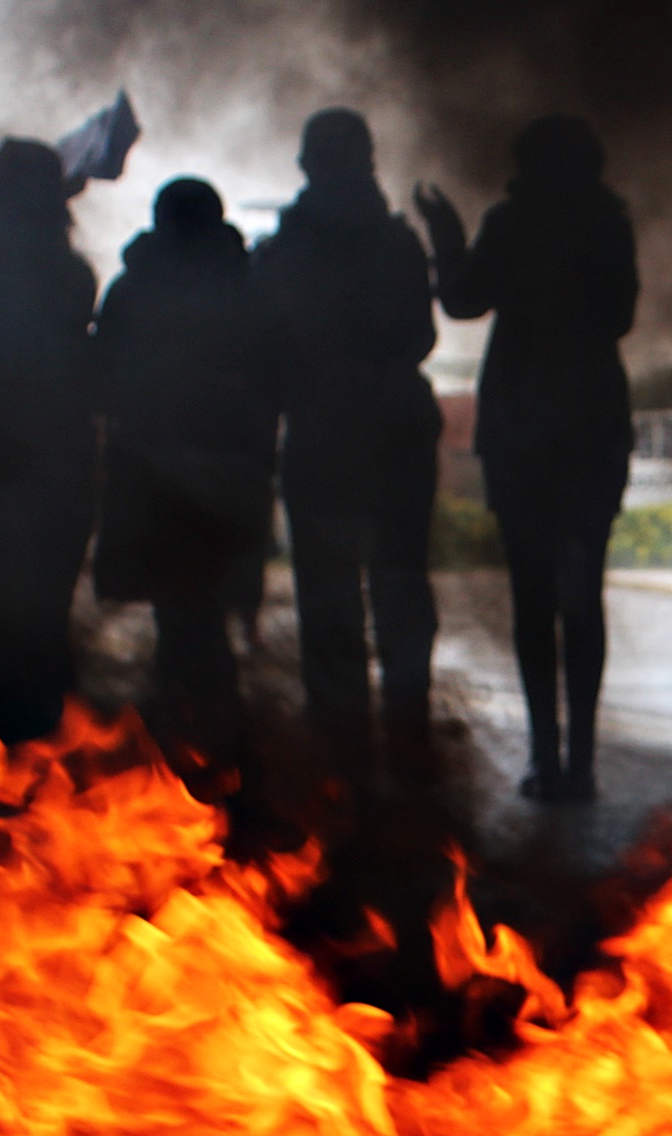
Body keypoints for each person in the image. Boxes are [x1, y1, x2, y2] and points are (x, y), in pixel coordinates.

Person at [418, 114, 636, 803]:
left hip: (524, 431)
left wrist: (449, 237)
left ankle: (548, 757)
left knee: (535, 600)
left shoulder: (511, 222)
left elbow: (461, 299)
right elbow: (620, 316)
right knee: (580, 597)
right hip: (590, 428)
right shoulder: (608, 221)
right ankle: (580, 761)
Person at [253, 108, 444, 790]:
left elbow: (264, 353)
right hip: (395, 436)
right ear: (367, 163)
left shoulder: (283, 252)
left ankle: (342, 766)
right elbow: (421, 339)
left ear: (307, 167)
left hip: (324, 438)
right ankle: (411, 754)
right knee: (399, 594)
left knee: (331, 606)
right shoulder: (397, 244)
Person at [92, 178, 281, 784]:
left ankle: (188, 749)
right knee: (199, 612)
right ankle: (208, 746)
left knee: (183, 614)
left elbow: (103, 377)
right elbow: (274, 380)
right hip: (226, 471)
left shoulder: (134, 287)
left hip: (158, 471)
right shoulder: (246, 289)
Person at [0, 138, 99, 744]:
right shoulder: (71, 270)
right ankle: (44, 751)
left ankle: (0, 749)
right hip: (53, 467)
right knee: (40, 624)